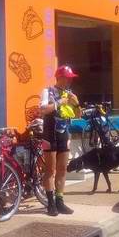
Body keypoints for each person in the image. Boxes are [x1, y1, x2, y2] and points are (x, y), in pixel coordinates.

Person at [39, 65, 79, 216]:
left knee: (62, 169)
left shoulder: (70, 94)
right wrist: (58, 103)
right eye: (68, 78)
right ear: (60, 77)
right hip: (50, 134)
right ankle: (50, 204)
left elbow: (77, 114)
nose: (70, 81)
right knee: (50, 170)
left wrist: (76, 103)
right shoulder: (47, 91)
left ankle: (60, 201)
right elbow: (42, 110)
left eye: (71, 79)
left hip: (64, 135)